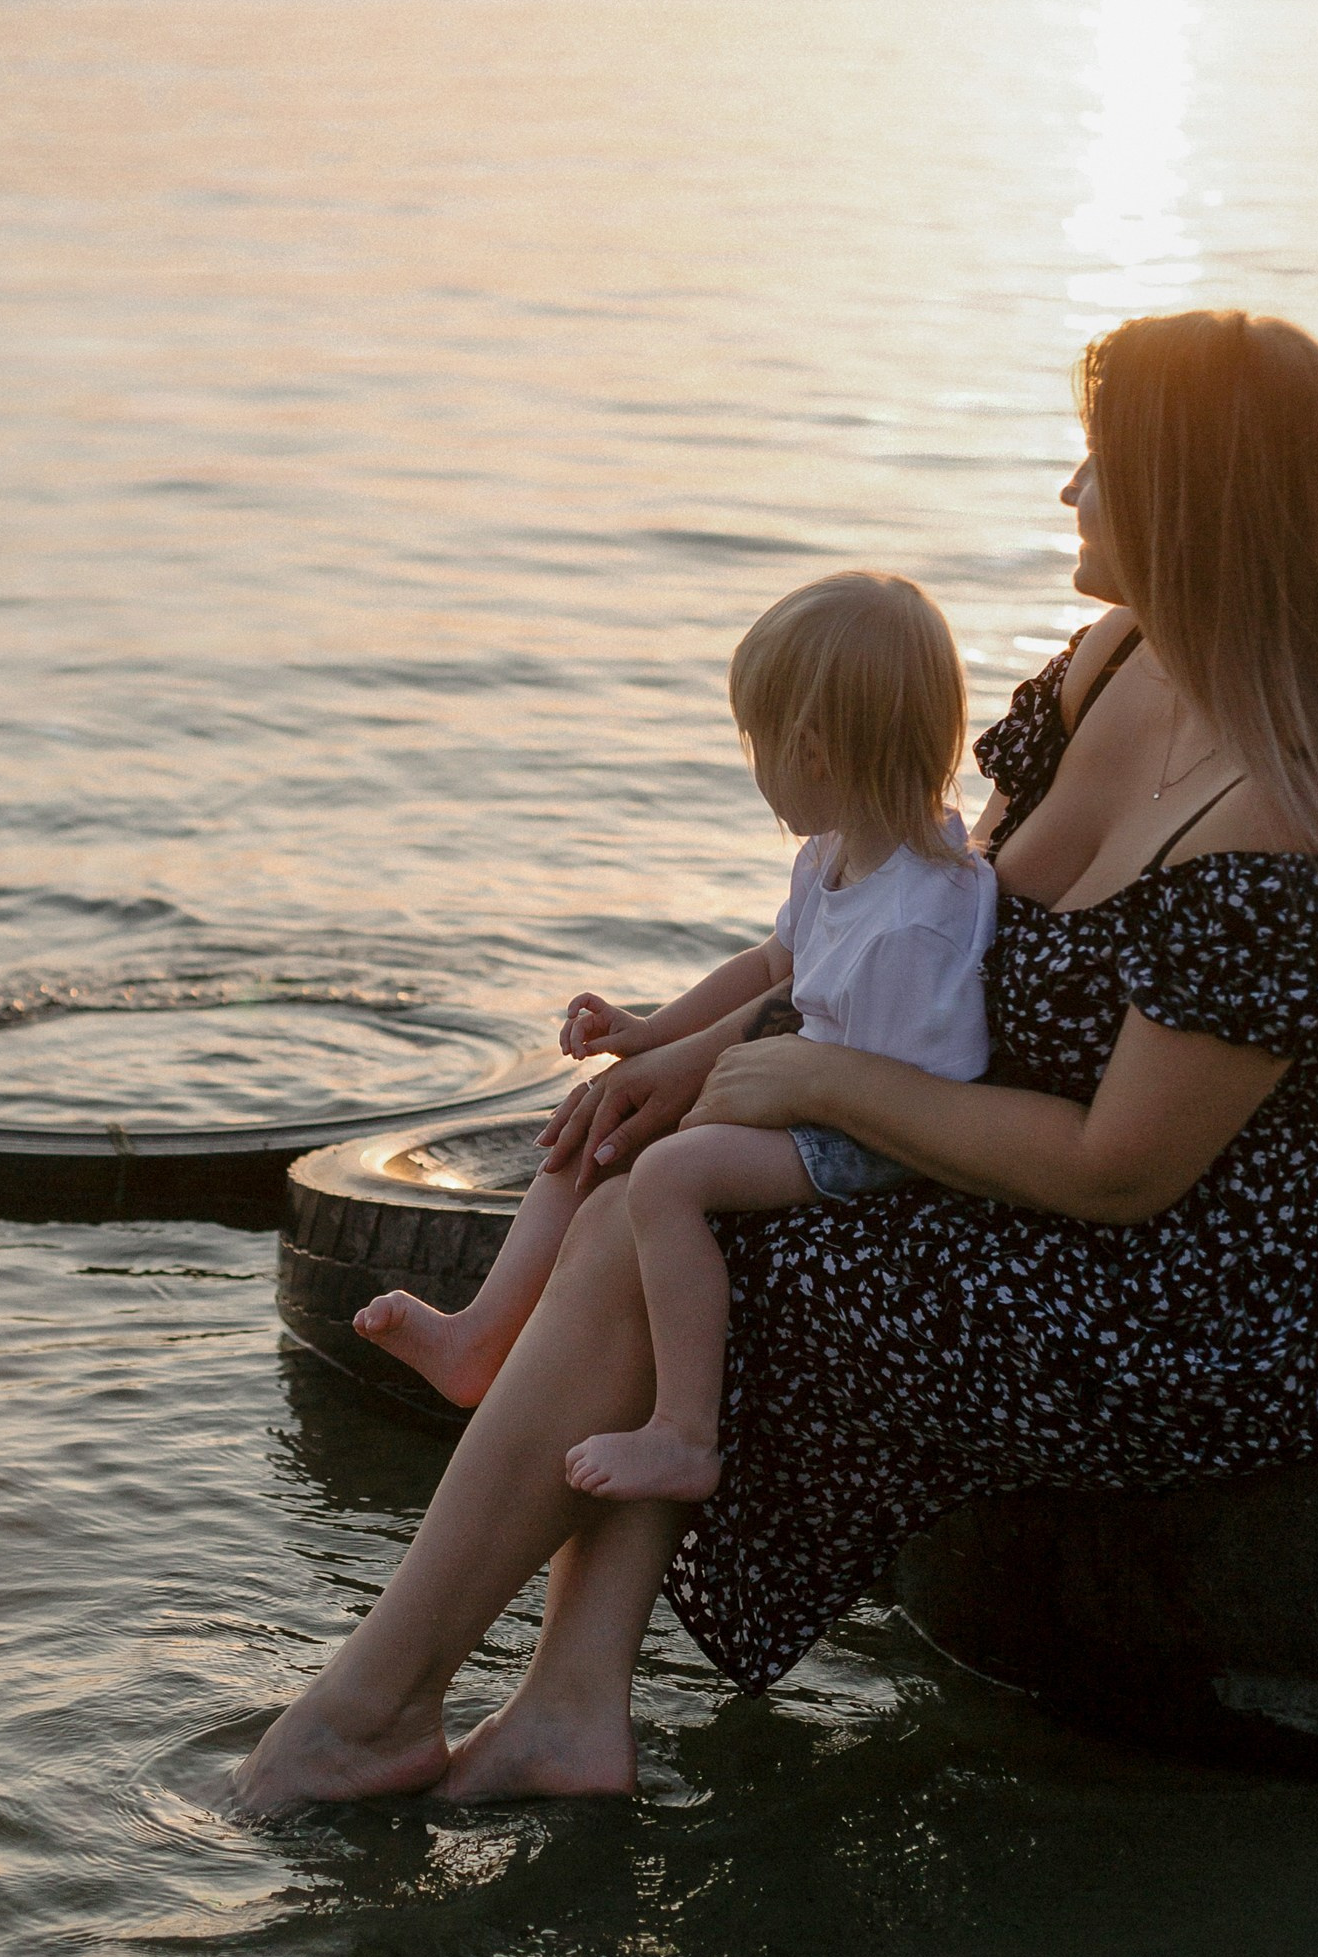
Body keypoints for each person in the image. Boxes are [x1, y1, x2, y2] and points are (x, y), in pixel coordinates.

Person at [238, 309, 1318, 1815]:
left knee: (690, 1234)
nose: (1069, 492)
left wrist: (810, 1083)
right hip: (996, 1184)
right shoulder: (1113, 659)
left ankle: (377, 1709)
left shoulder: (1285, 816)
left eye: (1101, 464)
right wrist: (708, 1047)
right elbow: (925, 927)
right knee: (638, 1180)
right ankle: (555, 1704)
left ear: (1194, 501)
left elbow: (1120, 1173)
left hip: (1190, 1309)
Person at [349, 573, 997, 1505]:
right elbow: (769, 969)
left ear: (811, 751)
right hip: (808, 1087)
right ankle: (480, 1337)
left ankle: (686, 1435)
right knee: (597, 1124)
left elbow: (893, 1097)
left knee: (667, 1175)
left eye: (758, 745)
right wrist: (652, 1036)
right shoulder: (837, 857)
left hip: (876, 1142)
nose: (756, 769)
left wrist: (742, 1099)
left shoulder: (916, 916)